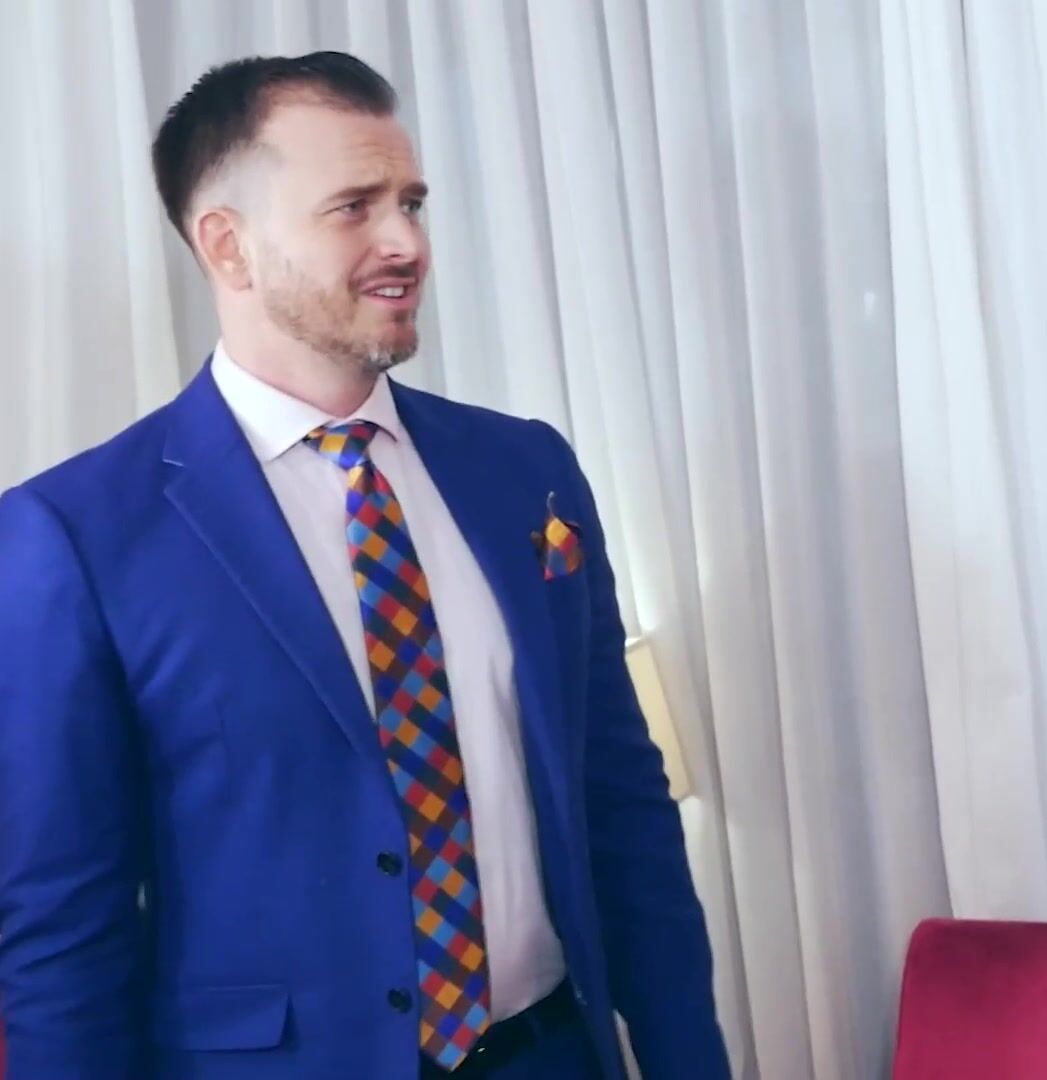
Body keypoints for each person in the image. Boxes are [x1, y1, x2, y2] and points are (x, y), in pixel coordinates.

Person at [0, 52, 727, 1079]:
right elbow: (63, 934)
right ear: (228, 246)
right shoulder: (75, 536)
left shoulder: (527, 472)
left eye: (412, 203)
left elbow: (622, 806)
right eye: (354, 207)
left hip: (550, 1055)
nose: (408, 244)